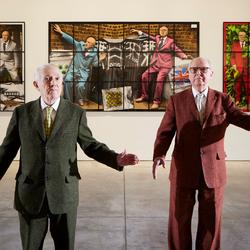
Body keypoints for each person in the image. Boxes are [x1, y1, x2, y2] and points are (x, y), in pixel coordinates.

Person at [0, 64, 139, 250]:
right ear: (36, 84)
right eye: (47, 79)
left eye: (57, 79)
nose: (53, 83)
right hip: (30, 194)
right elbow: (7, 150)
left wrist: (115, 158)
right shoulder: (21, 113)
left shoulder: (76, 113)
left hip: (64, 193)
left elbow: (90, 145)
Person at [152, 57, 250, 249]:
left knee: (211, 222)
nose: (199, 73)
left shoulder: (224, 100)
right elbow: (165, 132)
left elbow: (243, 119)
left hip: (213, 170)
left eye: (204, 69)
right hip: (183, 169)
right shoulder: (176, 101)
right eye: (194, 70)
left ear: (211, 74)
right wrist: (159, 154)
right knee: (179, 220)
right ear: (188, 75)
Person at [131, 26, 192, 110]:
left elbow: (177, 49)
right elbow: (149, 37)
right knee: (144, 76)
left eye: (164, 30)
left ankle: (156, 102)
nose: (162, 31)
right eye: (161, 30)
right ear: (159, 31)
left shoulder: (170, 41)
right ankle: (144, 96)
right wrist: (139, 32)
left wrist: (184, 56)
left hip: (165, 65)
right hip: (156, 64)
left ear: (167, 32)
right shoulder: (157, 38)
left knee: (159, 80)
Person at [53, 24, 106, 106]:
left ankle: (79, 98)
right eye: (86, 41)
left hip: (84, 71)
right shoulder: (80, 45)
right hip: (74, 69)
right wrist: (61, 32)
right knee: (67, 80)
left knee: (81, 86)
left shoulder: (94, 53)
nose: (86, 43)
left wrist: (100, 59)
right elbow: (72, 40)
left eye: (88, 42)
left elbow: (95, 64)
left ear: (92, 45)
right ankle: (68, 101)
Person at [230, 30, 249, 105]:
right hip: (237, 68)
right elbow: (232, 57)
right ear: (238, 36)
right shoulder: (235, 45)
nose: (241, 37)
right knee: (237, 85)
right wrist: (234, 65)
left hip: (247, 69)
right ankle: (238, 100)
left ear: (245, 36)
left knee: (248, 85)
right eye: (240, 35)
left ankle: (248, 100)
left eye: (243, 35)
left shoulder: (248, 45)